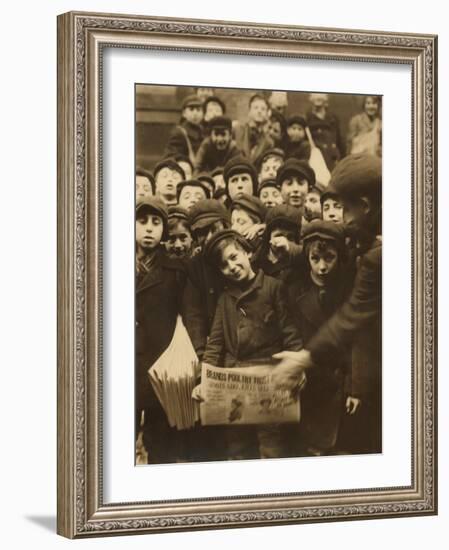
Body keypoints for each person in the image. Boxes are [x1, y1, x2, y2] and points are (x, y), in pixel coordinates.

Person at [273, 154, 382, 454]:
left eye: (343, 208)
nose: (342, 218)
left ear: (365, 205)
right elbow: (332, 240)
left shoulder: (377, 254)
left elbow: (352, 316)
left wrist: (302, 358)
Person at [201, 229, 303, 459]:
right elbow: (215, 345)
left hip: (268, 379)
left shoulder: (273, 287)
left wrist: (296, 364)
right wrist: (203, 381)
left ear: (247, 253)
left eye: (234, 257)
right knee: (237, 446)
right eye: (224, 265)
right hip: (234, 384)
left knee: (271, 445)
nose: (232, 267)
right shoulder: (225, 299)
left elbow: (290, 331)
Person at [287, 221, 355, 456]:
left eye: (330, 258)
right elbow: (290, 333)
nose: (322, 266)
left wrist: (354, 385)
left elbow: (358, 343)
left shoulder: (350, 291)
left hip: (341, 382)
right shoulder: (293, 291)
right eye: (315, 259)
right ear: (306, 256)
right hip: (309, 382)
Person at [135, 197, 187, 463]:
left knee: (161, 448)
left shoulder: (175, 271)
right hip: (125, 368)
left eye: (156, 222)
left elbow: (188, 317)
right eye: (142, 221)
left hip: (161, 368)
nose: (148, 228)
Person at [306, 93, 344, 171]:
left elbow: (339, 140)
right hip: (319, 158)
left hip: (334, 157)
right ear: (311, 98)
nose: (318, 97)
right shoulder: (307, 118)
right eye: (315, 94)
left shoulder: (333, 118)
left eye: (321, 95)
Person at [233, 94, 274, 162]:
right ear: (249, 111)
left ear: (267, 114)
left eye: (263, 109)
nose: (259, 111)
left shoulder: (269, 142)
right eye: (256, 108)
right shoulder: (237, 130)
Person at [164, 94, 204, 164]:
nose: (195, 113)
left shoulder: (204, 132)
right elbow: (172, 157)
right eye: (191, 109)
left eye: (198, 110)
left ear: (203, 113)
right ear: (184, 113)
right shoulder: (179, 133)